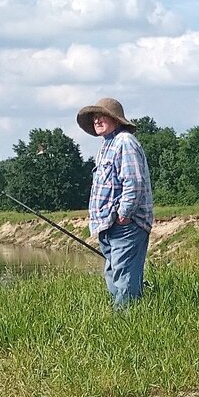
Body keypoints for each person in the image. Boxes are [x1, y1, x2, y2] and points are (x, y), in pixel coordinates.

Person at [77, 97, 154, 307]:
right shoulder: (106, 146)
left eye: (102, 116)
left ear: (116, 119)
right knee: (114, 274)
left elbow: (134, 181)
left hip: (126, 225)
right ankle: (125, 320)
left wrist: (124, 215)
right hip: (108, 225)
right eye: (94, 117)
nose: (97, 120)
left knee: (124, 277)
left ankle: (127, 322)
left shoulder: (125, 142)